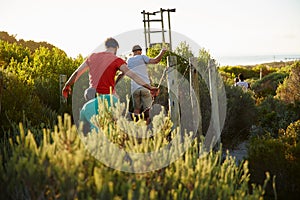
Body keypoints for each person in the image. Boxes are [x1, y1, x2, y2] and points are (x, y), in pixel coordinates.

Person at [62, 37, 159, 132]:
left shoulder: (92, 57)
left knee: (95, 122)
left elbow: (76, 73)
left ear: (106, 46)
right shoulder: (116, 60)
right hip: (110, 98)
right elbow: (132, 75)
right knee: (116, 122)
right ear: (116, 48)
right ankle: (140, 117)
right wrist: (149, 87)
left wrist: (67, 85)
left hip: (93, 97)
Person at [127, 44, 167, 123]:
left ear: (133, 52)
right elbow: (156, 61)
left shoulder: (129, 60)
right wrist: (162, 52)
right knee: (148, 110)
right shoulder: (142, 57)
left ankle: (136, 129)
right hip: (145, 87)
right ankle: (148, 130)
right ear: (140, 51)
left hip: (134, 89)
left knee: (136, 110)